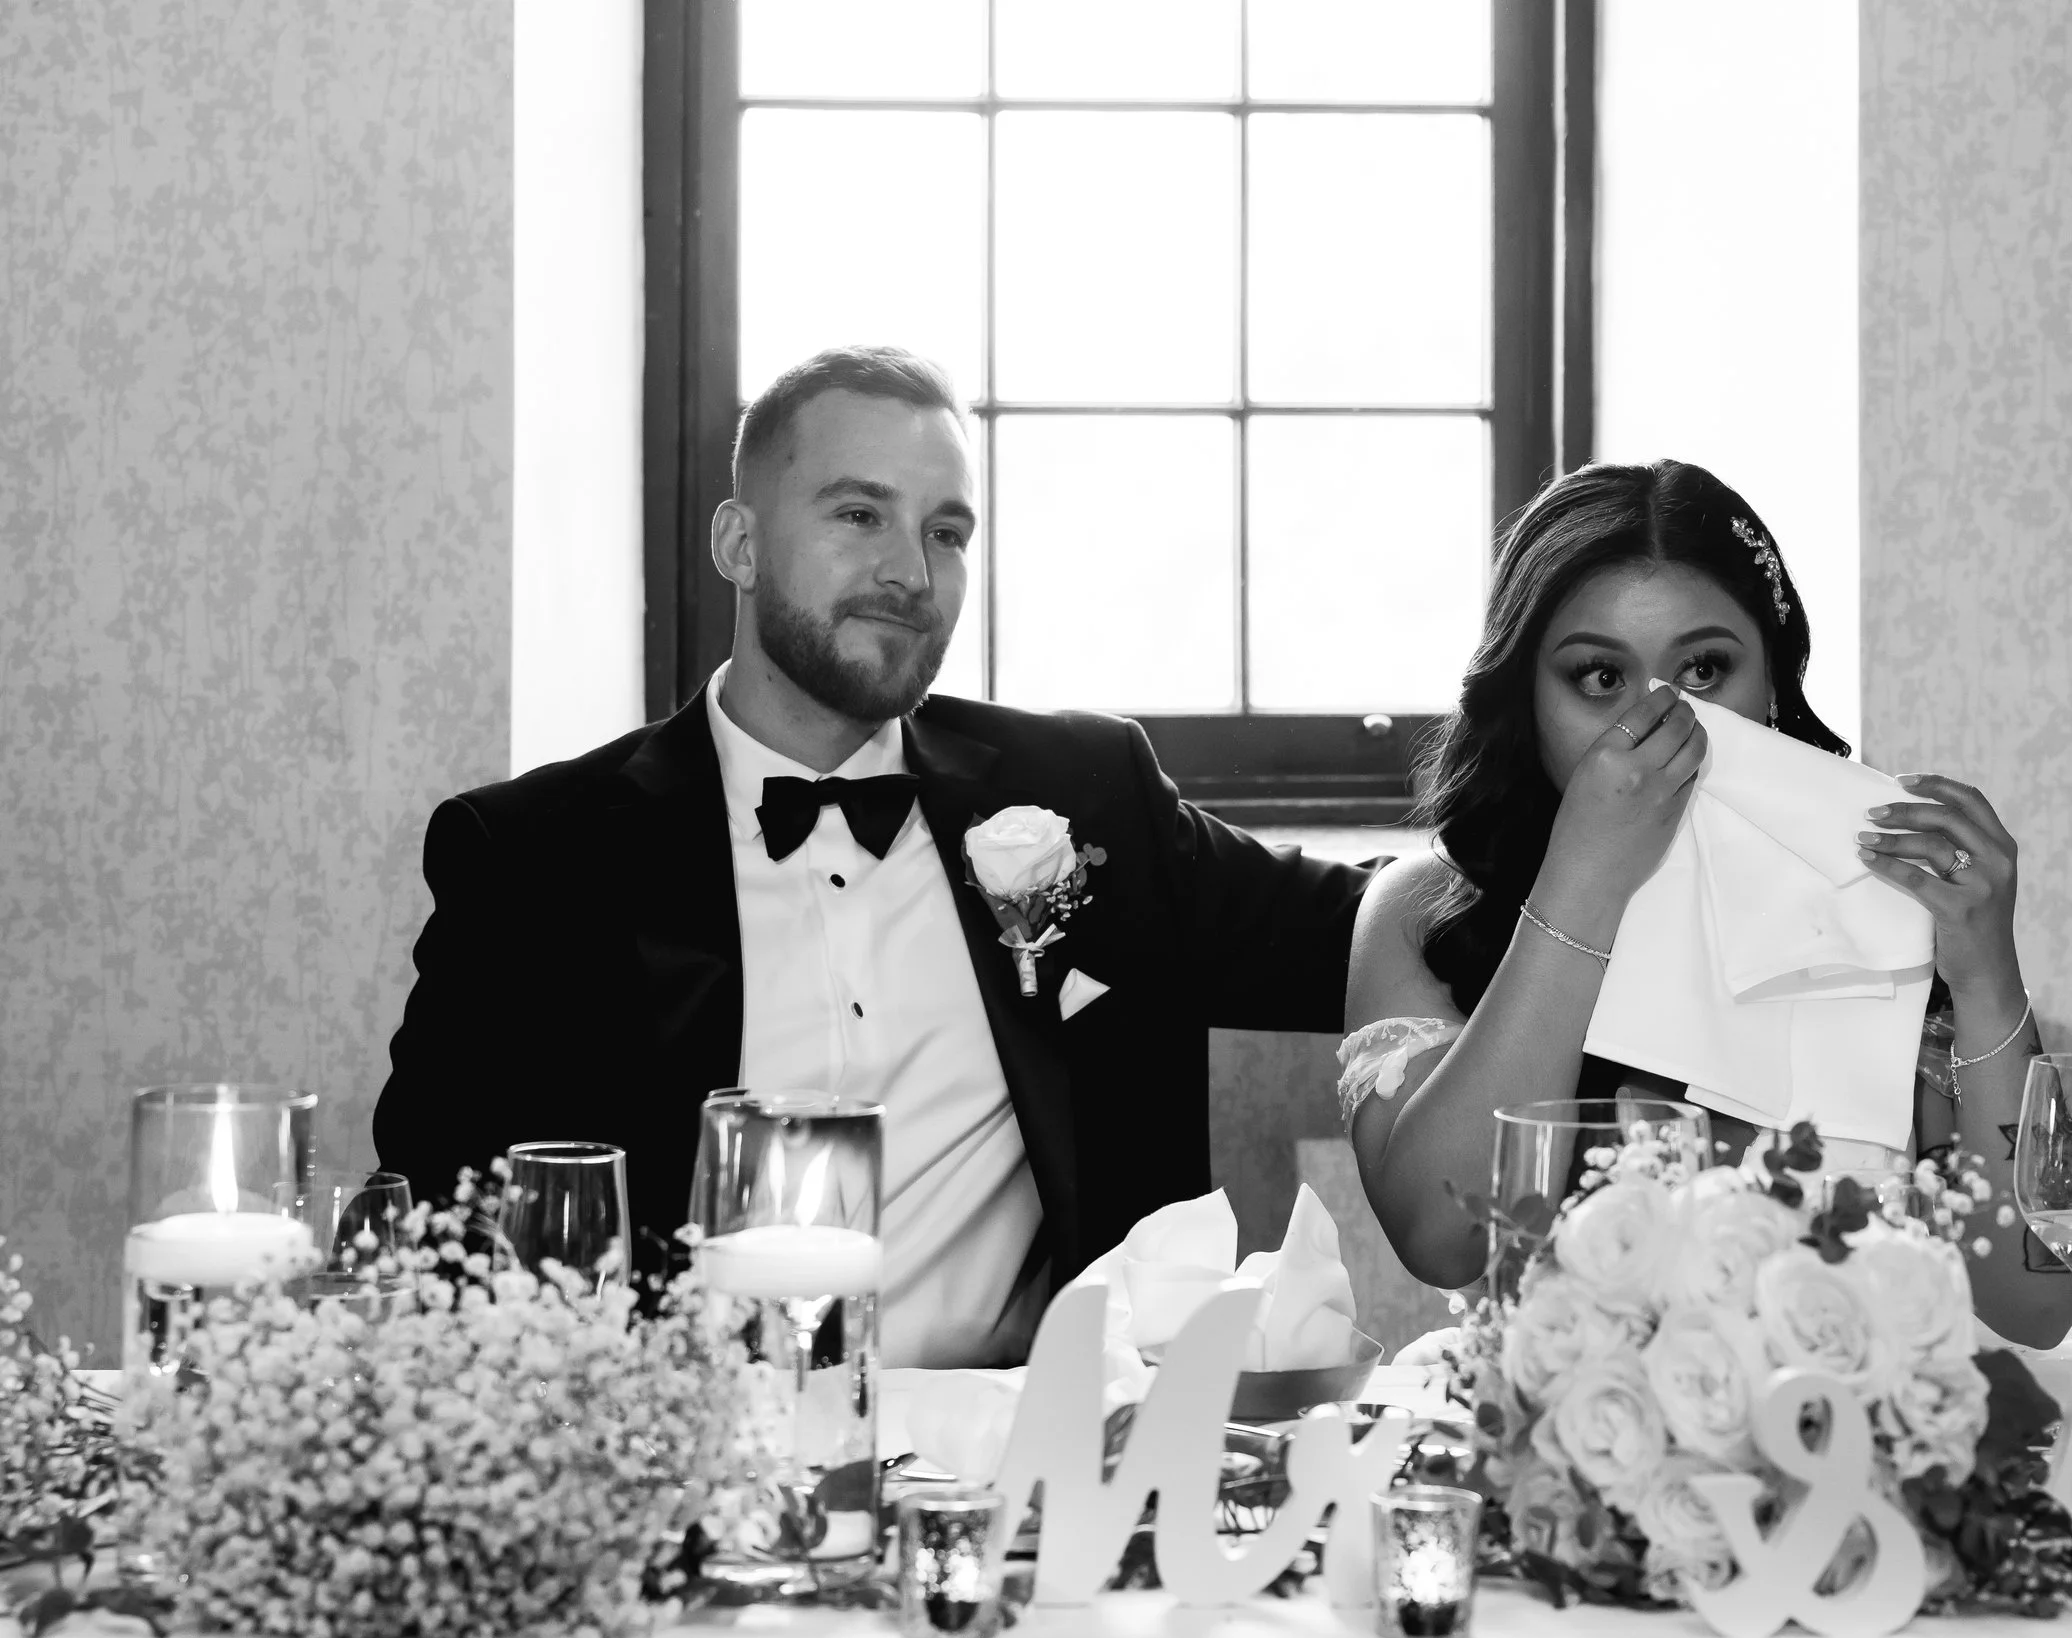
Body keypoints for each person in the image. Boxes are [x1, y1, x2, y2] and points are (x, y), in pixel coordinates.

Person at [373, 346, 1369, 1368]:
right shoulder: (533, 856)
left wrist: (1541, 831)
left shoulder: (1080, 791)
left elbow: (1358, 928)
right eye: (859, 515)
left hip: (1035, 1476)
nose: (910, 571)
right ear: (739, 544)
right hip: (692, 1477)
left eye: (946, 531)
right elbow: (440, 1224)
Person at [1338, 460, 2072, 1347]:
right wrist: (1585, 880)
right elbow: (1442, 1239)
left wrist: (1988, 973)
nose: (1660, 719)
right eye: (1599, 678)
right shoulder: (1426, 906)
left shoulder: (1872, 891)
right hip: (1564, 1442)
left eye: (1704, 667)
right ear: (1525, 696)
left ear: (1771, 685)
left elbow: (2036, 1304)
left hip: (1847, 1434)